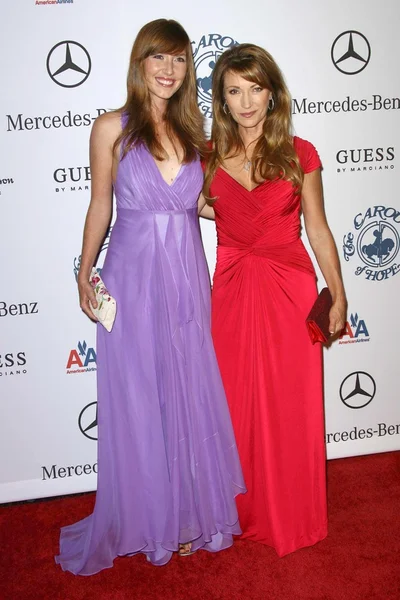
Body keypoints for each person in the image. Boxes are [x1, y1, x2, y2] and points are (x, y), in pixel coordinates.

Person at [55, 19, 245, 575]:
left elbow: (210, 207)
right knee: (139, 400)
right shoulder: (110, 127)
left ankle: (185, 514)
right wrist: (84, 271)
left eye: (180, 60)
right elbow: (99, 206)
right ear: (141, 62)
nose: (168, 70)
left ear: (189, 69)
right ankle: (147, 519)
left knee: (186, 393)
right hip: (132, 280)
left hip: (187, 278)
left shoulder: (195, 136)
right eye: (159, 58)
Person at [201, 43, 346, 557]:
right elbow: (177, 209)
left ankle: (292, 513)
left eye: (254, 89)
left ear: (272, 93)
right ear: (220, 99)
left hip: (290, 288)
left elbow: (319, 228)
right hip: (233, 290)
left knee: (291, 404)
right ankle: (237, 511)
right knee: (233, 404)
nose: (245, 102)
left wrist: (339, 295)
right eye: (234, 91)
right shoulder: (208, 158)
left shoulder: (299, 153)